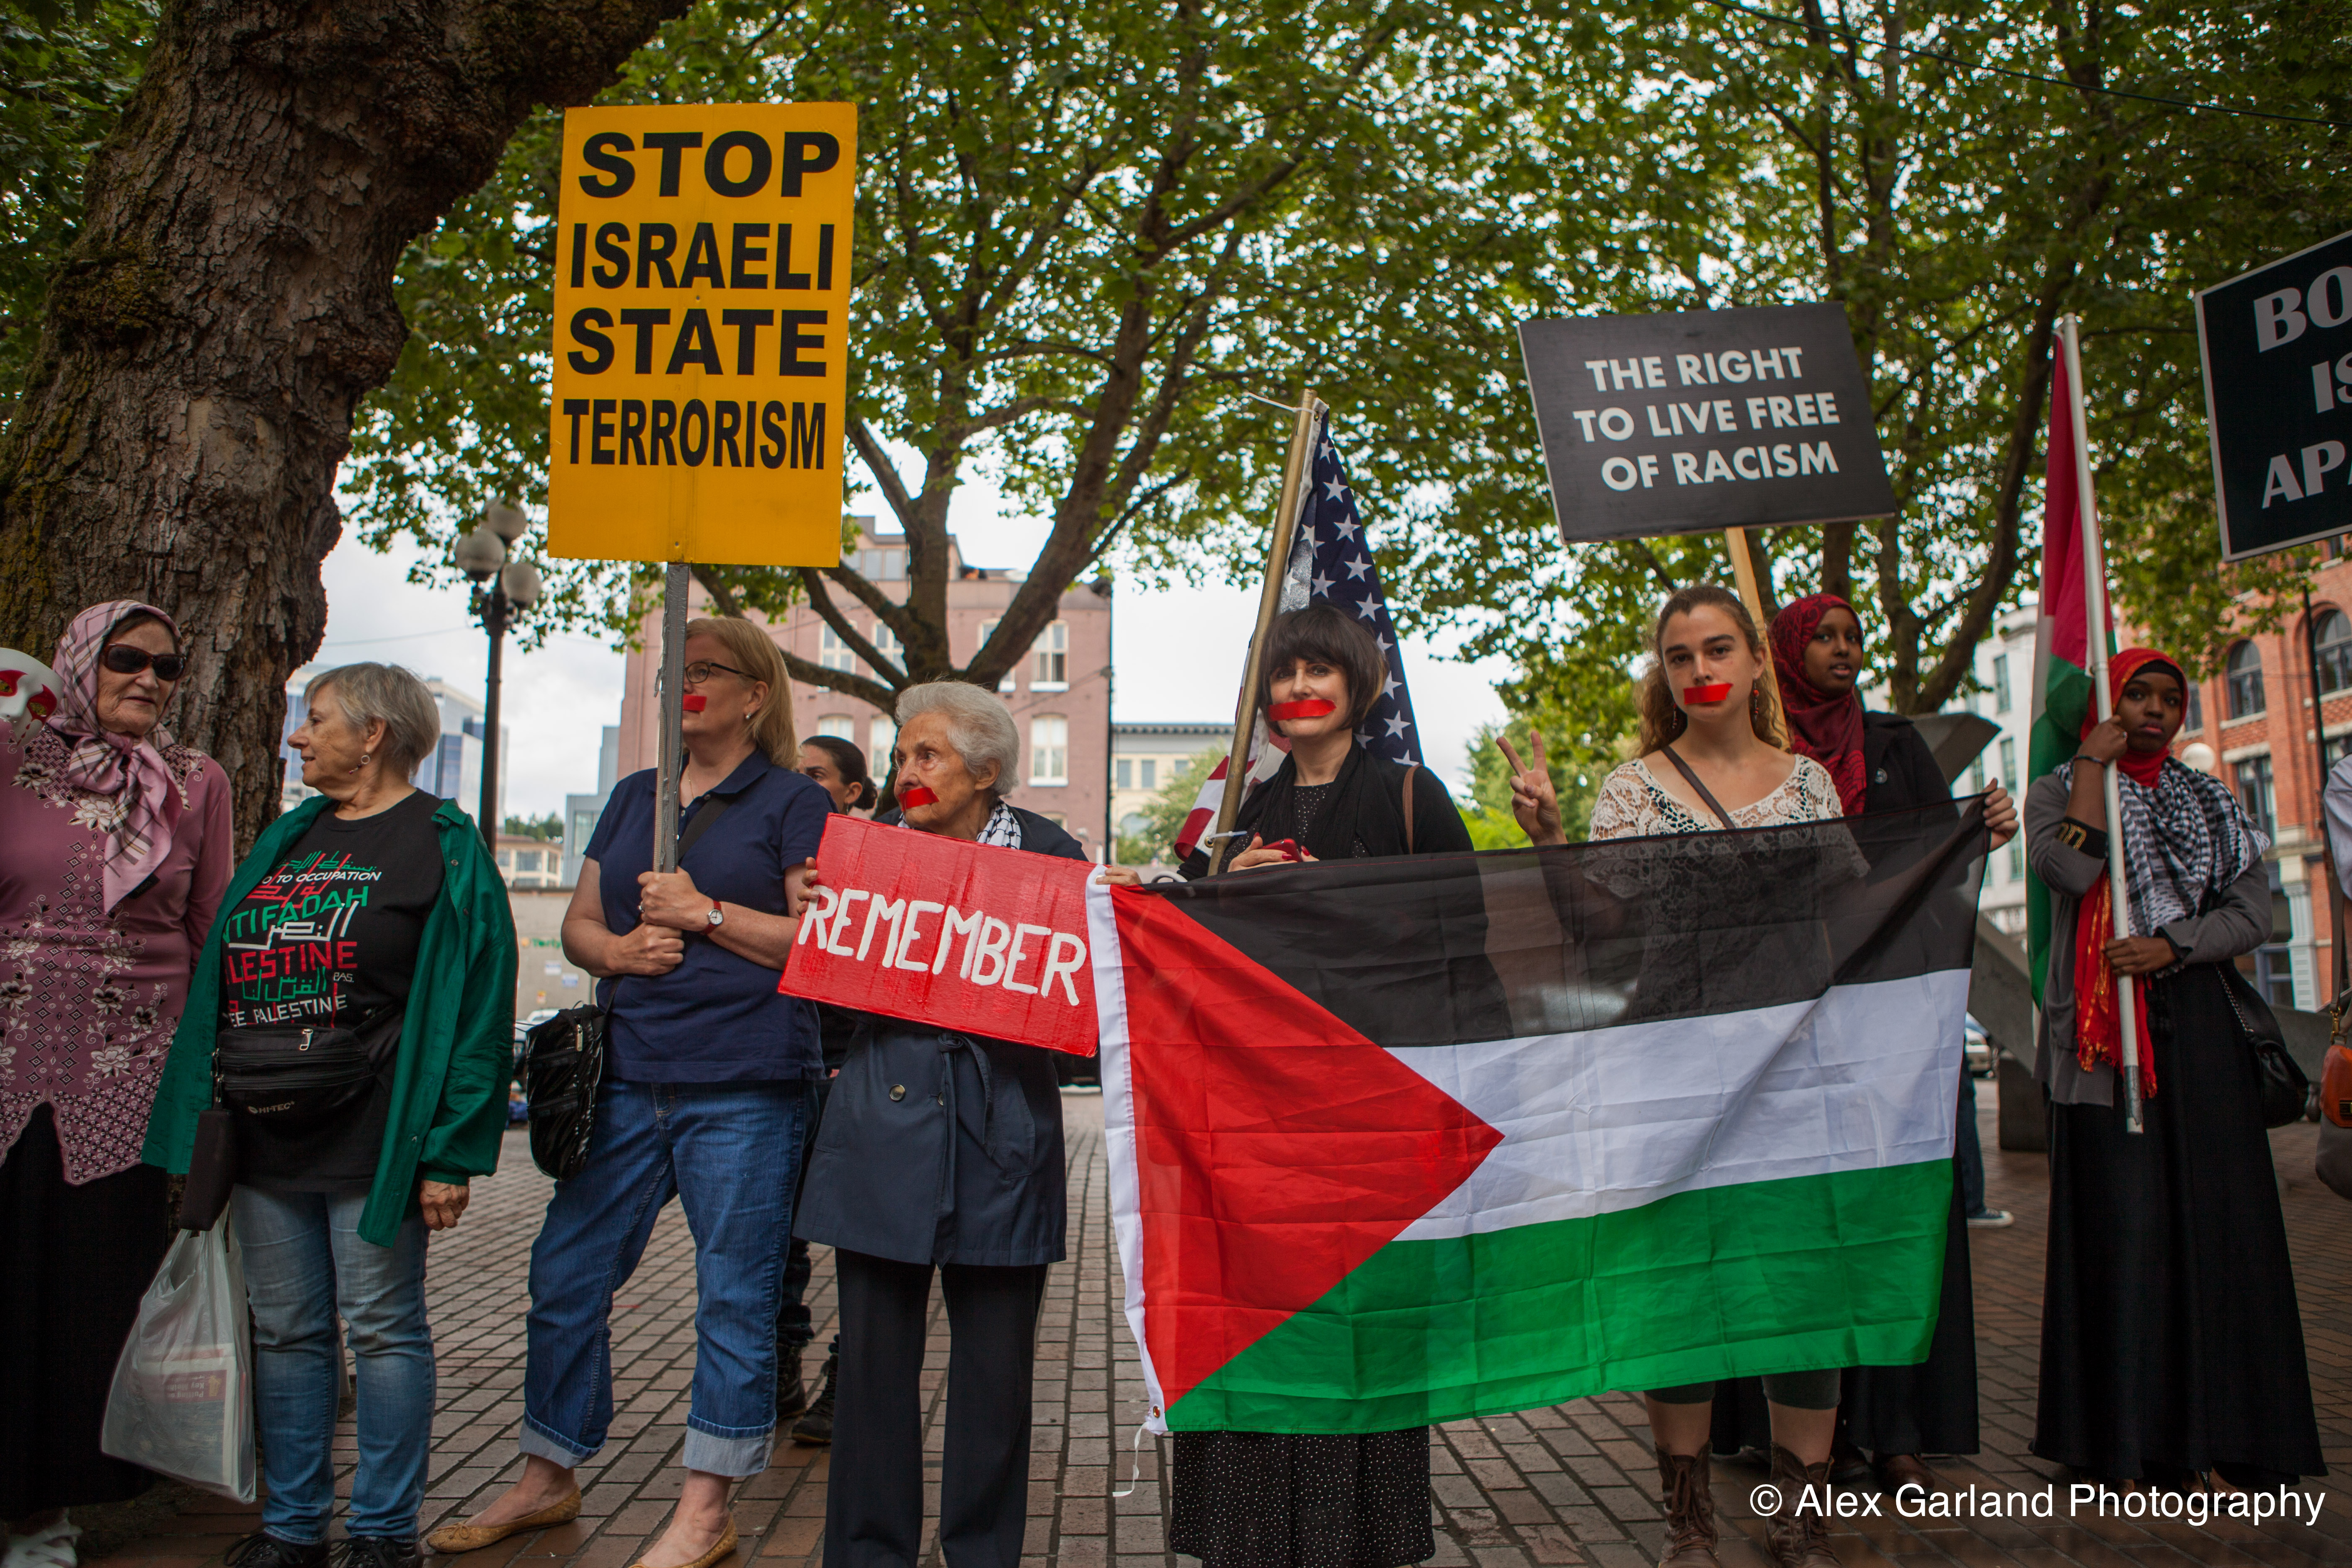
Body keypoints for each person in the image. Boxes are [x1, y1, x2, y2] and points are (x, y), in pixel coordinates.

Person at [432, 619, 830, 1568]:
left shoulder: (796, 801)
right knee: (565, 1278)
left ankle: (706, 1508)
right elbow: (579, 923)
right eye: (672, 672)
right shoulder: (632, 797)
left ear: (754, 695)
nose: (680, 685)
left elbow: (819, 943)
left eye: (704, 671)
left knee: (734, 1297)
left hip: (746, 1083)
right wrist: (614, 951)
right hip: (624, 1078)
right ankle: (549, 1473)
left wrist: (706, 914)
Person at [143, 662, 516, 1568]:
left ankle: (383, 1534)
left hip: (374, 1136)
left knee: (383, 1329)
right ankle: (292, 1528)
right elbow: (221, 978)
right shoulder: (292, 833)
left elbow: (480, 1003)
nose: (299, 737)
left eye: (316, 719)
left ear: (374, 733)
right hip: (265, 1127)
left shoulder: (444, 843)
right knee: (287, 1333)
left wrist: (450, 1153)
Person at [1505, 583, 1841, 1568]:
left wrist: (1968, 837)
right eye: (1681, 655)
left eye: (1719, 648)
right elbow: (1599, 932)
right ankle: (1688, 1525)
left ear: (1755, 663)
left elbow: (1854, 922)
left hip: (1789, 1076)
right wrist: (1549, 837)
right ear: (1666, 674)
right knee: (1681, 1294)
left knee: (1798, 1290)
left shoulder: (1809, 786)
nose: (1701, 670)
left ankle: (1798, 1512)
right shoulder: (1632, 789)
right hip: (1670, 1071)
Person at [1162, 603, 1480, 1568]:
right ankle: (1251, 1534)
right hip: (1258, 1129)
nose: (1299, 689)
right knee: (1260, 1325)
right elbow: (1191, 961)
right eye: (1284, 673)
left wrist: (1333, 899)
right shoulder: (1238, 815)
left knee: (1362, 1330)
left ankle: (1359, 1536)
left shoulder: (1412, 796)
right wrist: (1226, 892)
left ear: (1358, 685)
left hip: (1373, 1119)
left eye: (1319, 671)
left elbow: (1462, 937)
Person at [1697, 592, 2016, 1495]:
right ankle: (1807, 1434)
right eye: (1825, 638)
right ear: (1788, 653)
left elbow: (1934, 863)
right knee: (1796, 1221)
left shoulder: (1895, 747)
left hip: (1886, 1022)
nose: (1844, 650)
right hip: (1781, 1025)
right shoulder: (1756, 753)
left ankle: (1898, 1429)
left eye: (1853, 637)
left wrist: (1980, 830)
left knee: (1890, 1211)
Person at [792, 681, 1087, 1568]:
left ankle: (983, 1553)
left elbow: (1079, 1000)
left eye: (928, 755)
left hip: (1004, 1136)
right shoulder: (862, 854)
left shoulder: (1055, 854)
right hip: (883, 1131)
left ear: (987, 771)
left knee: (997, 1376)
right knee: (872, 1370)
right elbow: (831, 995)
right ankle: (867, 1554)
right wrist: (814, 921)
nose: (905, 772)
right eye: (900, 756)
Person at [2026, 647, 2323, 1490]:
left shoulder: (2212, 800)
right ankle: (2123, 1444)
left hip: (2198, 1031)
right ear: (2107, 706)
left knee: (2216, 1225)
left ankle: (2229, 1437)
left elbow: (2254, 915)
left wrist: (2172, 945)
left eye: (2169, 698)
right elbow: (2071, 869)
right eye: (2136, 695)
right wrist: (2093, 767)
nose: (2154, 711)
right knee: (2125, 1229)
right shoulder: (2059, 789)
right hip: (2104, 1039)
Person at [1, 603, 233, 1568]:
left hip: (127, 1079)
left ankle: (46, 1517)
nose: (148, 678)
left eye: (166, 666)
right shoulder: (13, 758)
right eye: (126, 658)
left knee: (87, 1296)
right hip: (6, 1064)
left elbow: (211, 928)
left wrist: (214, 1082)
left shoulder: (196, 781)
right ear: (81, 661)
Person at [771, 732, 879, 1445]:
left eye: (816, 775)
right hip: (788, 1064)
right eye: (795, 773)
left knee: (859, 1233)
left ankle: (849, 1377)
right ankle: (781, 1365)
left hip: (852, 1065)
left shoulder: (878, 858)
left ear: (852, 792)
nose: (801, 784)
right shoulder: (778, 855)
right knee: (780, 1233)